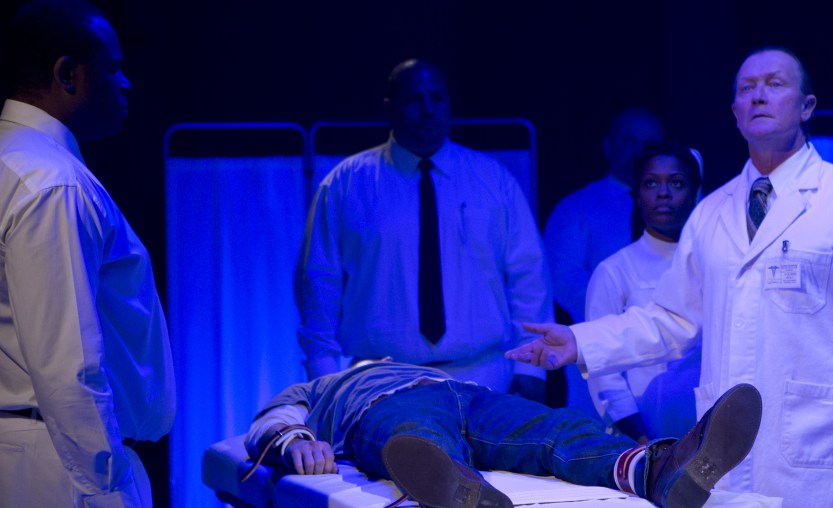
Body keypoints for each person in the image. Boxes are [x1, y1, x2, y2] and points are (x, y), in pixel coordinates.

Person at [508, 46, 833, 508]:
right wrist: (580, 341)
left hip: (818, 450)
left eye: (774, 84)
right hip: (726, 456)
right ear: (735, 112)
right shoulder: (711, 213)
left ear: (807, 107)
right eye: (746, 88)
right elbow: (671, 320)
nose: (758, 96)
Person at [0, 1, 175, 506]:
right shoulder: (52, 182)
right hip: (61, 463)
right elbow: (69, 365)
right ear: (68, 75)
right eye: (112, 68)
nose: (127, 83)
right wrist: (109, 488)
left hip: (10, 451)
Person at [296, 59, 552, 401]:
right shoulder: (347, 184)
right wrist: (325, 377)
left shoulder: (493, 180)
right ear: (389, 107)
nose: (428, 109)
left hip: (485, 377)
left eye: (437, 98)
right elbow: (318, 282)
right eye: (414, 99)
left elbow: (527, 276)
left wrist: (531, 367)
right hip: (380, 381)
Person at [244, 360, 762, 508]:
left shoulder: (418, 365)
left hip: (470, 394)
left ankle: (657, 469)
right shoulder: (328, 385)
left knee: (556, 428)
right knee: (414, 434)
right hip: (390, 406)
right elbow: (270, 420)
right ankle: (461, 489)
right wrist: (295, 442)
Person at [584, 143, 702, 444]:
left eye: (676, 183)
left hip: (713, 434)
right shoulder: (614, 271)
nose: (663, 193)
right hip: (641, 437)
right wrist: (640, 438)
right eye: (651, 183)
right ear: (637, 195)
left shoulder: (714, 264)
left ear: (695, 192)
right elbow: (603, 370)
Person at [543, 107, 665, 325]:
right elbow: (562, 278)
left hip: (674, 338)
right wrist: (623, 316)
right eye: (629, 142)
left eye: (650, 145)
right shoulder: (576, 208)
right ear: (608, 147)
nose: (640, 152)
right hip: (601, 336)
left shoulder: (688, 205)